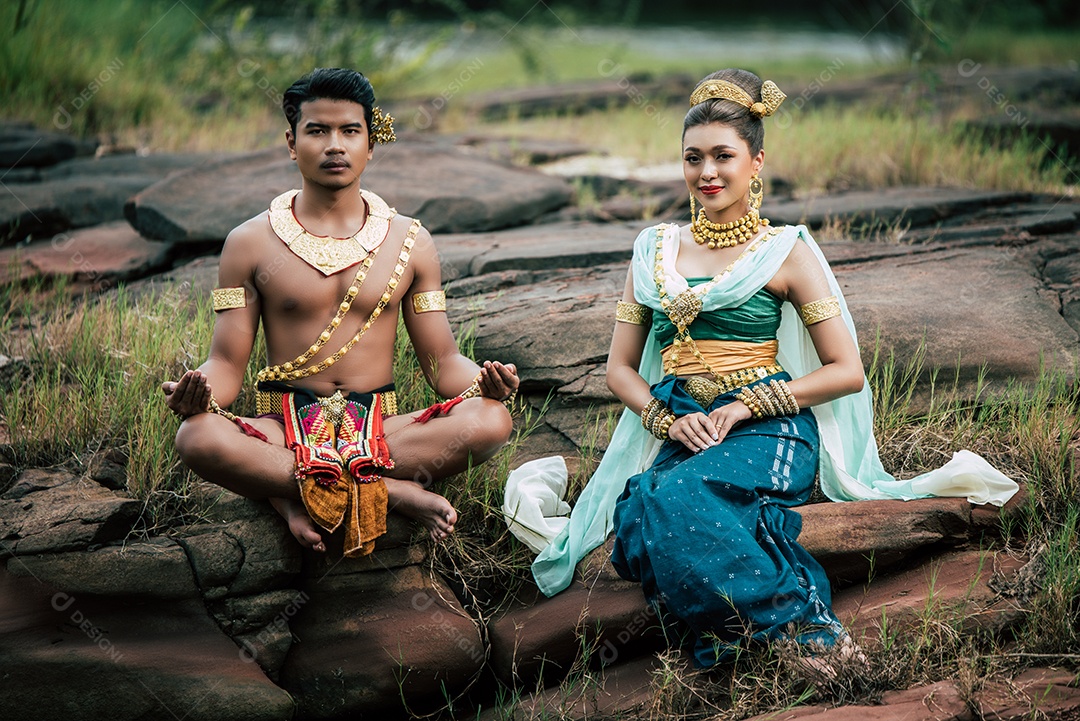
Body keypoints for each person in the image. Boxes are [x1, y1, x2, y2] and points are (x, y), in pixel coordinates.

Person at [513, 68, 1017, 667]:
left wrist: (744, 404)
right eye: (692, 158)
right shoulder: (654, 251)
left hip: (769, 426)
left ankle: (804, 631)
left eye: (724, 156)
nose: (707, 173)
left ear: (756, 162)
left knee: (673, 500)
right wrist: (665, 420)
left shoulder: (786, 250)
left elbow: (846, 370)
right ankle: (747, 625)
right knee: (636, 513)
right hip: (685, 426)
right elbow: (620, 369)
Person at [162, 67, 519, 557]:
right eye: (318, 131)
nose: (335, 145)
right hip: (283, 425)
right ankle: (389, 491)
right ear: (292, 142)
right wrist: (196, 391)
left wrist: (483, 382)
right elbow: (225, 365)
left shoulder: (410, 241)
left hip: (382, 425)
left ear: (370, 144)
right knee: (197, 437)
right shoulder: (248, 243)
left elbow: (441, 364)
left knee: (492, 421)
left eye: (350, 131)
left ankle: (290, 493)